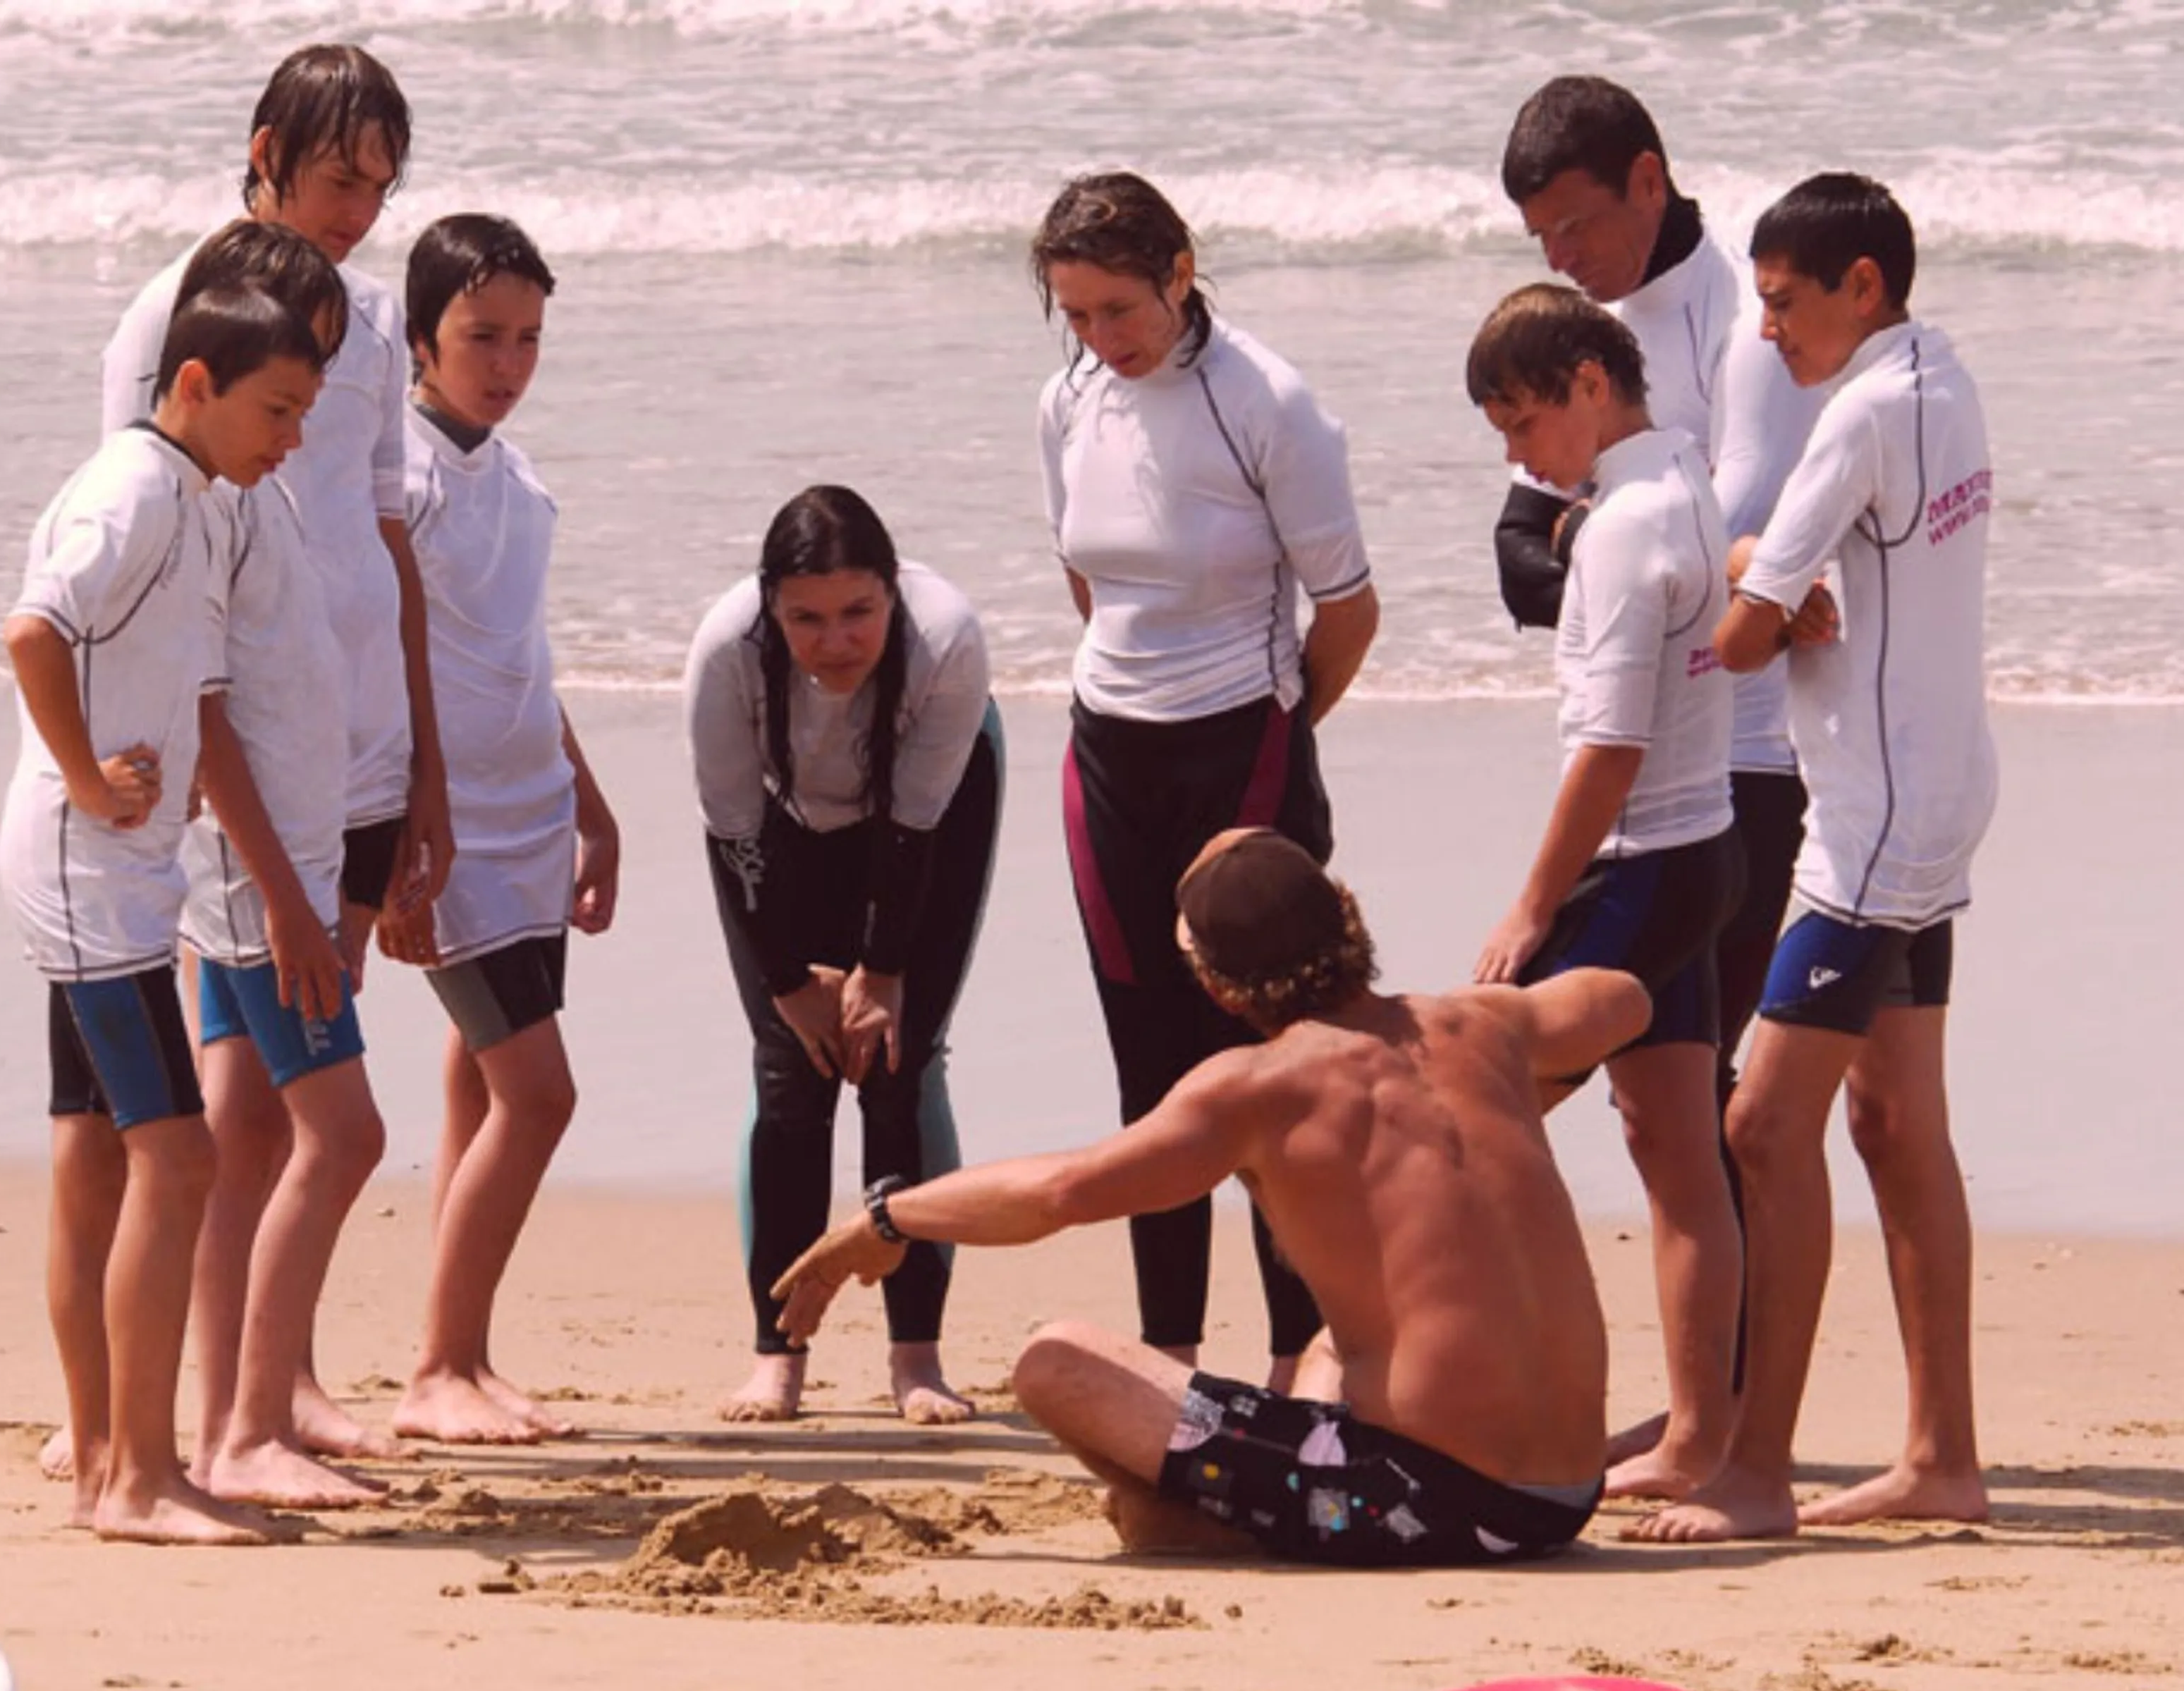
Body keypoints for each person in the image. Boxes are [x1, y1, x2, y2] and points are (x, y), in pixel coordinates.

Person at [775, 830, 1645, 1566]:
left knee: (1056, 1358)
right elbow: (1625, 998)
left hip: (1434, 1507)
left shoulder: (1256, 1089)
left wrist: (884, 1218)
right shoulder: (1484, 1025)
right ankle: (1245, 1506)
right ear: (1349, 916)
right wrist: (1514, 1089)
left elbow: (1060, 1191)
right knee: (1326, 1348)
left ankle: (1188, 1525)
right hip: (1566, 1492)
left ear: (1220, 987)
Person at [97, 42, 449, 1461]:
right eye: (337, 176)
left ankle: (271, 1387)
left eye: (382, 184)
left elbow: (384, 537)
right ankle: (237, 1415)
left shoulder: (362, 319)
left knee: (268, 1109)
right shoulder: (172, 313)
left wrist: (420, 761)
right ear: (264, 150)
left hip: (352, 747)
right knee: (300, 1111)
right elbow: (145, 555)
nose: (361, 208)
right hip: (248, 768)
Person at [1638, 174, 1998, 1544]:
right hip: (1941, 785)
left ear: (1862, 286)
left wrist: (1746, 570)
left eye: (1786, 303)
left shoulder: (1855, 420)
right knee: (1894, 1120)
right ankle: (1941, 1457)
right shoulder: (1945, 375)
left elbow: (1735, 635)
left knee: (1760, 1124)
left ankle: (1754, 1470)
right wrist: (1791, 593)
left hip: (1870, 821)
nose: (1768, 331)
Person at [0, 276, 335, 1547]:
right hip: (89, 873)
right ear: (193, 386)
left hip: (119, 871)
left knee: (94, 1161)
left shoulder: (196, 500)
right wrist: (88, 777)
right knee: (176, 1154)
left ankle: (105, 1461)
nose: (291, 438)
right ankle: (138, 1477)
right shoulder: (133, 489)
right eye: (276, 409)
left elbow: (179, 691)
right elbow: (33, 631)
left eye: (305, 412)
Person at [1031, 171, 1379, 1394]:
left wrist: (1273, 731)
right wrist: (1142, 691)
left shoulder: (1268, 403)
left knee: (1276, 1065)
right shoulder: (1068, 399)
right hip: (1107, 758)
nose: (1101, 341)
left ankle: (1300, 1357)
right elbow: (1092, 581)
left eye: (1119, 310)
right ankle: (1171, 1357)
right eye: (1075, 315)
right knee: (1153, 1071)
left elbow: (1348, 610)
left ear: (1181, 272)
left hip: (1246, 751)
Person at [1465, 283, 1742, 1503]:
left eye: (1523, 425)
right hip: (1697, 854)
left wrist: (1534, 906)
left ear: (1590, 382)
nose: (1520, 461)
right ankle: (1694, 1436)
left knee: (1473, 1118)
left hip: (1637, 867)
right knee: (1676, 1149)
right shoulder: (1678, 471)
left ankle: (1498, 1407)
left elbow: (1612, 746)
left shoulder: (1628, 526)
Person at [1498, 76, 1822, 1102]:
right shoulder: (1572, 333)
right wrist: (1651, 567)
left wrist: (1618, 556)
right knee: (1659, 1108)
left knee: (1704, 1098)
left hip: (1753, 761)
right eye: (1540, 237)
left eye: (1575, 226)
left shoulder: (1744, 314)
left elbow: (1747, 567)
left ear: (1649, 180)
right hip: (1626, 754)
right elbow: (1517, 560)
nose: (1561, 259)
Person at [685, 486, 1003, 1425]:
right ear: (771, 609)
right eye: (807, 620)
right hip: (776, 833)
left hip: (925, 823)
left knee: (898, 1062)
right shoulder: (726, 651)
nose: (835, 642)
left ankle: (918, 1358)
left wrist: (883, 970)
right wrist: (787, 981)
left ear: (892, 597)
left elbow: (914, 826)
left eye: (859, 613)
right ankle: (777, 1354)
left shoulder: (946, 641)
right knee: (791, 1073)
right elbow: (734, 830)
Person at [167, 222, 391, 1513]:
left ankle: (224, 1421)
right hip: (258, 886)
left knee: (245, 1129)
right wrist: (292, 899)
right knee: (345, 1132)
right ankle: (253, 1423)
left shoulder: (252, 498)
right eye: (288, 400)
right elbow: (202, 720)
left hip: (271, 867)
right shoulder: (215, 514)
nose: (302, 426)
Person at [389, 215, 621, 1445]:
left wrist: (589, 800)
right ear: (419, 336)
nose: (509, 361)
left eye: (529, 337)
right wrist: (404, 836)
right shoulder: (401, 479)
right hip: (453, 833)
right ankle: (440, 1364)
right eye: (482, 335)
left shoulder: (517, 478)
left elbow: (520, 660)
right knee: (538, 1094)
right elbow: (385, 663)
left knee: (483, 1083)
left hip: (531, 812)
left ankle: (458, 1351)